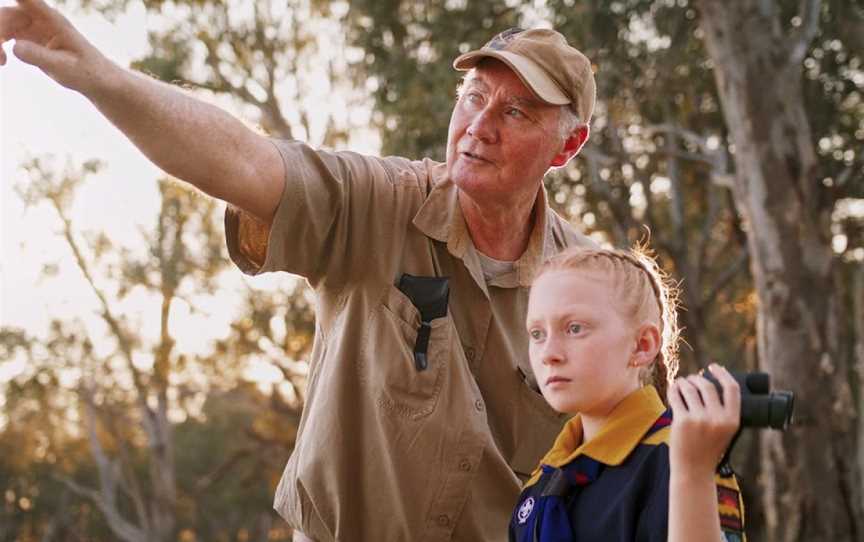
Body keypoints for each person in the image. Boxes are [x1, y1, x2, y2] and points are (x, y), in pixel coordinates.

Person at [2, 2, 599, 540]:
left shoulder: (592, 287)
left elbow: (642, 450)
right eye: (473, 95)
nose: (480, 125)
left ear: (566, 147)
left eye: (516, 110)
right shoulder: (379, 202)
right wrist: (93, 73)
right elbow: (242, 161)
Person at [512, 245, 746, 542]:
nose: (548, 354)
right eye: (537, 334)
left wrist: (693, 475)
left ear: (642, 345)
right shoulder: (540, 484)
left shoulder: (684, 456)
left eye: (574, 328)